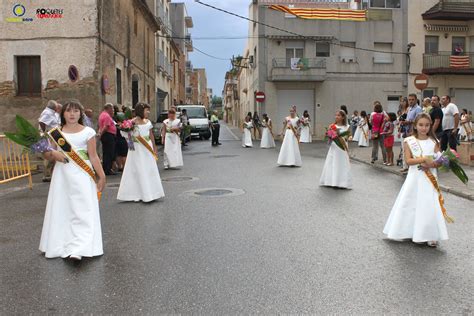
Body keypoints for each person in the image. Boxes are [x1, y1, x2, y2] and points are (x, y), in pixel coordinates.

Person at [40, 99, 106, 260]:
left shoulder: (88, 132)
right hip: (62, 175)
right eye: (69, 111)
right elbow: (47, 154)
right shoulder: (56, 132)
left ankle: (80, 247)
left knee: (82, 208)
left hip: (83, 174)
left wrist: (102, 176)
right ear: (63, 114)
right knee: (63, 207)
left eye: (76, 111)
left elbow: (93, 156)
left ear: (80, 114)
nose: (72, 114)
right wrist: (53, 153)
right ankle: (60, 244)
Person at [383, 113, 449, 247]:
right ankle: (407, 231)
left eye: (426, 125)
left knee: (429, 204)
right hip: (415, 178)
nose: (424, 128)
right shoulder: (409, 141)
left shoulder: (434, 142)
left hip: (429, 179)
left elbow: (440, 161)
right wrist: (423, 160)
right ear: (415, 125)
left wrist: (431, 164)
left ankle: (430, 234)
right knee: (411, 203)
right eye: (421, 125)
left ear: (430, 126)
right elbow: (408, 160)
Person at [117, 103, 164, 202]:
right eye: (147, 110)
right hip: (137, 149)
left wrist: (154, 148)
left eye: (148, 110)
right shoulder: (131, 122)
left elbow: (151, 135)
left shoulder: (148, 122)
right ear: (140, 111)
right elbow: (126, 134)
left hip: (147, 148)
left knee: (149, 169)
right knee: (137, 169)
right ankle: (137, 194)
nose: (148, 112)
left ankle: (151, 192)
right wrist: (128, 135)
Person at [319, 110, 352, 189]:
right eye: (336, 115)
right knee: (332, 162)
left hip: (342, 147)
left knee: (342, 163)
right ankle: (330, 181)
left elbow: (349, 135)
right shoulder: (332, 126)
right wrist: (328, 135)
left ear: (343, 117)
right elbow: (327, 136)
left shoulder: (347, 126)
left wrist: (349, 137)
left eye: (339, 115)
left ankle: (342, 182)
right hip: (334, 147)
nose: (336, 117)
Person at [38, 100, 62, 182]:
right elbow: (42, 122)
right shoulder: (47, 112)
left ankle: (51, 174)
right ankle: (47, 175)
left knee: (53, 156)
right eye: (56, 106)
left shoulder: (52, 113)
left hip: (53, 136)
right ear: (54, 107)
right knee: (49, 156)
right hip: (49, 136)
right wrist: (44, 133)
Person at [98, 103, 117, 175]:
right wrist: (101, 134)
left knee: (106, 152)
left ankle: (107, 169)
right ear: (108, 108)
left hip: (107, 135)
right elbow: (106, 127)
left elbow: (101, 126)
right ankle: (107, 169)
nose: (113, 110)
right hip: (108, 135)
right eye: (112, 108)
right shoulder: (106, 116)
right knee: (109, 153)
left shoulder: (102, 114)